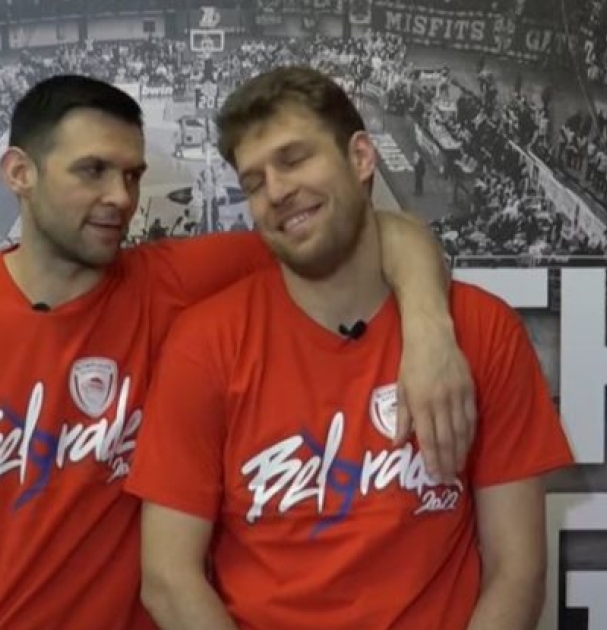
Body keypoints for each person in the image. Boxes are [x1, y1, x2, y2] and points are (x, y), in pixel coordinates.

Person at [0, 74, 477, 630]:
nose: (120, 198)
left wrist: (428, 328)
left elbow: (374, 229)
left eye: (131, 175)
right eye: (92, 171)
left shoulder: (171, 284)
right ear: (19, 173)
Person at [126, 66, 575, 630]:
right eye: (255, 182)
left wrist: (428, 324)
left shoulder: (481, 330)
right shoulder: (204, 344)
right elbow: (169, 579)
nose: (276, 191)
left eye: (294, 159)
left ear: (361, 157)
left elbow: (517, 571)